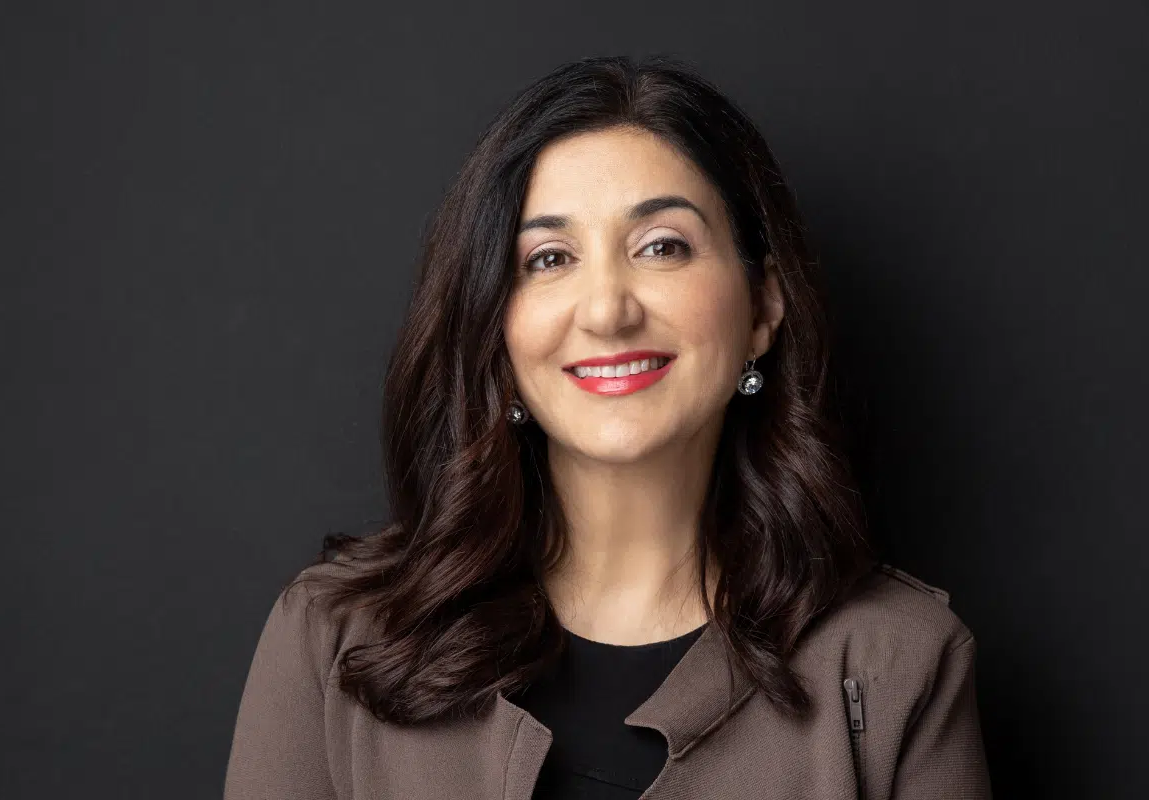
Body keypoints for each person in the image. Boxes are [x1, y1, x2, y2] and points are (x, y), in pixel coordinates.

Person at [224, 55, 991, 799]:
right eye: (549, 259)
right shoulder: (334, 639)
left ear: (763, 307)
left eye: (662, 247)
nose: (606, 309)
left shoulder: (897, 663)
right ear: (494, 323)